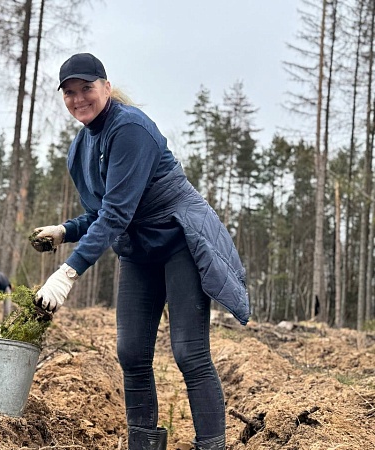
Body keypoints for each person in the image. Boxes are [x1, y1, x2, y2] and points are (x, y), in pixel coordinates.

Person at [31, 53, 250, 450]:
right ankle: (144, 444)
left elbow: (116, 213)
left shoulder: (130, 129)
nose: (79, 99)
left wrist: (67, 273)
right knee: (131, 352)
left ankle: (211, 445)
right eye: (69, 93)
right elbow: (102, 210)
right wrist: (65, 231)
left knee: (189, 353)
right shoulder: (80, 148)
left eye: (87, 88)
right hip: (137, 250)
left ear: (106, 87)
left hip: (179, 240)